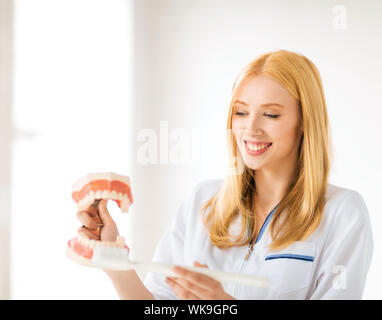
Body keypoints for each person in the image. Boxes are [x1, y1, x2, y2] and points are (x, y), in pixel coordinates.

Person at [76, 49, 373, 299]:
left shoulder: (343, 213)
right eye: (241, 112)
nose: (250, 128)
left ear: (305, 121)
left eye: (271, 114)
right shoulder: (202, 201)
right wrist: (113, 259)